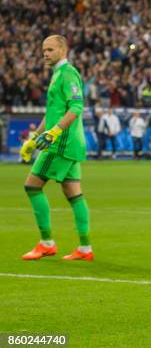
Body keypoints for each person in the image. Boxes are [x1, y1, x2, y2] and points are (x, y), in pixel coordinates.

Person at [19, 35, 92, 261]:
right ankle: (85, 248)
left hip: (61, 144)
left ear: (63, 49)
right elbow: (53, 114)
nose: (46, 54)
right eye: (44, 50)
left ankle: (46, 243)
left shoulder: (68, 73)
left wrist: (55, 132)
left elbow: (77, 106)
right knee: (73, 193)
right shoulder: (57, 74)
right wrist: (35, 137)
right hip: (65, 141)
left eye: (50, 49)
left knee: (32, 186)